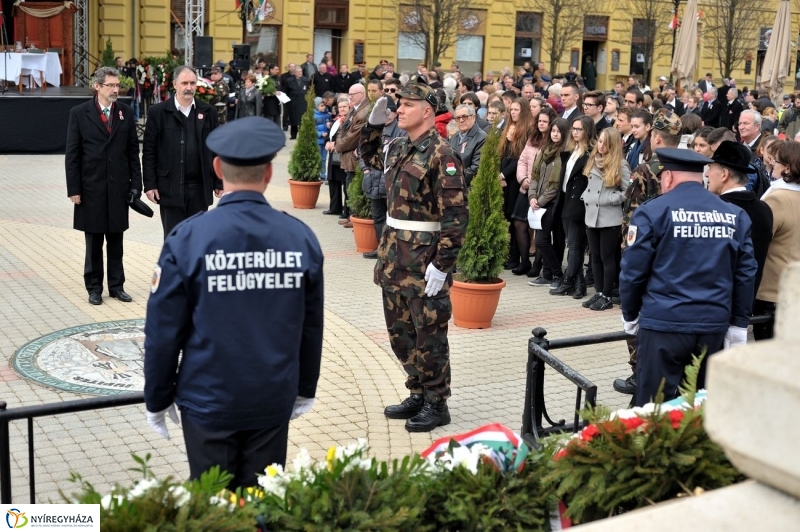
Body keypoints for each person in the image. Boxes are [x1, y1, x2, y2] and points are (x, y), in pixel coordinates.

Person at [144, 117, 323, 490]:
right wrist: (305, 386)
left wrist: (157, 397)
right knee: (262, 504)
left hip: (208, 397)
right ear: (270, 172)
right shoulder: (299, 236)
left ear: (217, 169)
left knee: (213, 509)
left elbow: (163, 330)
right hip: (271, 396)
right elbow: (310, 325)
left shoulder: (188, 237)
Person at [620, 148, 756, 406]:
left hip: (664, 323)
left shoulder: (653, 211)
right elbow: (745, 273)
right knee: (700, 406)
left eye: (661, 178)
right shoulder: (734, 215)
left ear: (668, 177)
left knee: (653, 408)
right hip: (712, 324)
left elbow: (633, 272)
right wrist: (738, 323)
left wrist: (630, 315)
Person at [370, 77, 468, 432]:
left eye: (407, 105)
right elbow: (364, 154)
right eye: (399, 104)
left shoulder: (444, 155)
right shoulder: (398, 147)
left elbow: (456, 218)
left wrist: (442, 267)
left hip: (424, 264)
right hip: (394, 260)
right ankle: (417, 392)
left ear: (427, 111)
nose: (400, 109)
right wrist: (371, 123)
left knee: (429, 337)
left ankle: (436, 402)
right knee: (401, 336)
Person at [65, 67, 142, 306]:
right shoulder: (79, 113)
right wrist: (74, 189)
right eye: (110, 85)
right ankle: (94, 287)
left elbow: (132, 152)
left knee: (116, 240)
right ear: (97, 86)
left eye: (117, 85)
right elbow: (73, 154)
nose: (116, 90)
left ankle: (117, 286)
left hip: (118, 188)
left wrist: (135, 186)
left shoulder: (125, 113)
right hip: (91, 188)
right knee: (94, 241)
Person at [143, 66, 221, 239]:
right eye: (184, 83)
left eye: (192, 83)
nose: (189, 87)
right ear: (174, 85)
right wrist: (150, 184)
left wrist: (219, 181)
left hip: (199, 187)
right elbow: (149, 151)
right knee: (174, 239)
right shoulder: (158, 112)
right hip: (169, 186)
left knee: (198, 238)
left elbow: (217, 149)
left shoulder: (208, 112)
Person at [706, 141, 773, 303]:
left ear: (724, 175)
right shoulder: (765, 209)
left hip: (715, 301)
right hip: (749, 301)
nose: (707, 174)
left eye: (710, 169)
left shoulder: (715, 210)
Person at [754, 141, 800, 340]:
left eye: (777, 161)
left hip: (774, 293)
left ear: (788, 168)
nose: (772, 164)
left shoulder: (778, 199)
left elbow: (757, 241)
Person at [581, 128, 631, 311]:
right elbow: (589, 185)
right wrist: (585, 196)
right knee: (594, 256)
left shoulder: (621, 165)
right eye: (599, 141)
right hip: (591, 215)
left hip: (610, 218)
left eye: (605, 142)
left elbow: (629, 190)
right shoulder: (593, 160)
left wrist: (611, 199)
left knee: (607, 258)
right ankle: (599, 292)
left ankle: (608, 295)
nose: (600, 146)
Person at [551, 115, 596, 298]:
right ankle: (579, 283)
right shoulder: (572, 150)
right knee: (572, 244)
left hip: (578, 203)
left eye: (579, 129)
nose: (575, 132)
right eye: (574, 129)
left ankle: (569, 279)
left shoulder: (590, 152)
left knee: (575, 246)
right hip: (564, 200)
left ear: (587, 131)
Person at [526, 117, 569, 287]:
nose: (555, 134)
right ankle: (550, 274)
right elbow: (534, 176)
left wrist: (540, 201)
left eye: (558, 131)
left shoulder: (564, 153)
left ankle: (557, 275)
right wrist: (532, 196)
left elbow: (555, 184)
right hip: (539, 202)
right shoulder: (544, 150)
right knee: (542, 240)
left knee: (543, 241)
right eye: (553, 131)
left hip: (553, 203)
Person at [499, 98, 535, 271]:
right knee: (505, 217)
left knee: (514, 219)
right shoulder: (507, 128)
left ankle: (515, 257)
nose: (512, 112)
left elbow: (521, 158)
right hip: (504, 177)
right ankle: (506, 255)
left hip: (515, 178)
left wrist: (504, 174)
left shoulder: (528, 130)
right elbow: (502, 154)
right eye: (511, 109)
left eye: (516, 110)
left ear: (524, 111)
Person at [334, 83, 369, 228]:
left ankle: (354, 217)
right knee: (348, 187)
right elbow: (342, 130)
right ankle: (350, 216)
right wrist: (339, 142)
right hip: (348, 156)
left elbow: (353, 136)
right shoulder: (353, 110)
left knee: (353, 187)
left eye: (352, 95)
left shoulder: (364, 111)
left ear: (361, 94)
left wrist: (338, 145)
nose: (350, 98)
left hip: (354, 156)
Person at [323, 97, 350, 218]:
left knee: (346, 184)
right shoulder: (337, 120)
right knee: (333, 182)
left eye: (345, 106)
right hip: (333, 156)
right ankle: (335, 208)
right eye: (340, 107)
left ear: (349, 108)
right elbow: (330, 135)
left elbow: (349, 138)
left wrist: (336, 144)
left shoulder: (350, 120)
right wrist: (327, 142)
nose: (342, 109)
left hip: (344, 155)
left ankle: (347, 211)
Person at [449, 104, 487, 187]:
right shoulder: (454, 137)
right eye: (458, 118)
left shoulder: (482, 137)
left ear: (473, 117)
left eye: (464, 116)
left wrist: (455, 179)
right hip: (453, 185)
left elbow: (476, 168)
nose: (461, 120)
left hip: (470, 187)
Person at [285, 67, 310, 140]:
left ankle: (302, 135)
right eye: (298, 72)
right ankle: (293, 135)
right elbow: (287, 91)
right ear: (295, 72)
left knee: (302, 119)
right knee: (293, 119)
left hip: (303, 102)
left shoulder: (306, 80)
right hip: (293, 102)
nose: (300, 73)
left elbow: (309, 90)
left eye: (301, 71)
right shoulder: (289, 81)